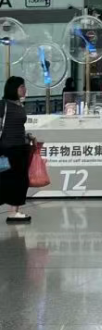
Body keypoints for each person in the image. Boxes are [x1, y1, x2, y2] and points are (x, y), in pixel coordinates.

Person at [0, 77, 32, 224]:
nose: (24, 89)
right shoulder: (3, 105)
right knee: (4, 178)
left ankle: (14, 211)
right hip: (6, 150)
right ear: (13, 88)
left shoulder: (19, 105)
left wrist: (28, 136)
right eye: (21, 87)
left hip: (21, 149)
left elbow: (18, 127)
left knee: (20, 180)